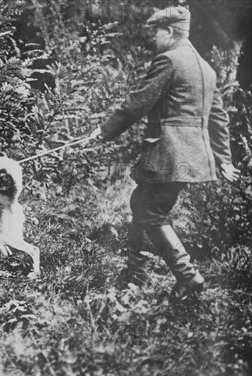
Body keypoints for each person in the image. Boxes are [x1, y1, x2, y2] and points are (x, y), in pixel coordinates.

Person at [90, 6, 241, 301]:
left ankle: (187, 275)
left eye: (156, 33)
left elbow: (137, 103)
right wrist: (224, 159)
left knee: (151, 211)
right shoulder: (206, 69)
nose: (154, 39)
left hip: (168, 153)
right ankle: (137, 276)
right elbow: (218, 118)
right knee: (143, 204)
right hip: (193, 157)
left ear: (169, 32)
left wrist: (103, 132)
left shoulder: (169, 60)